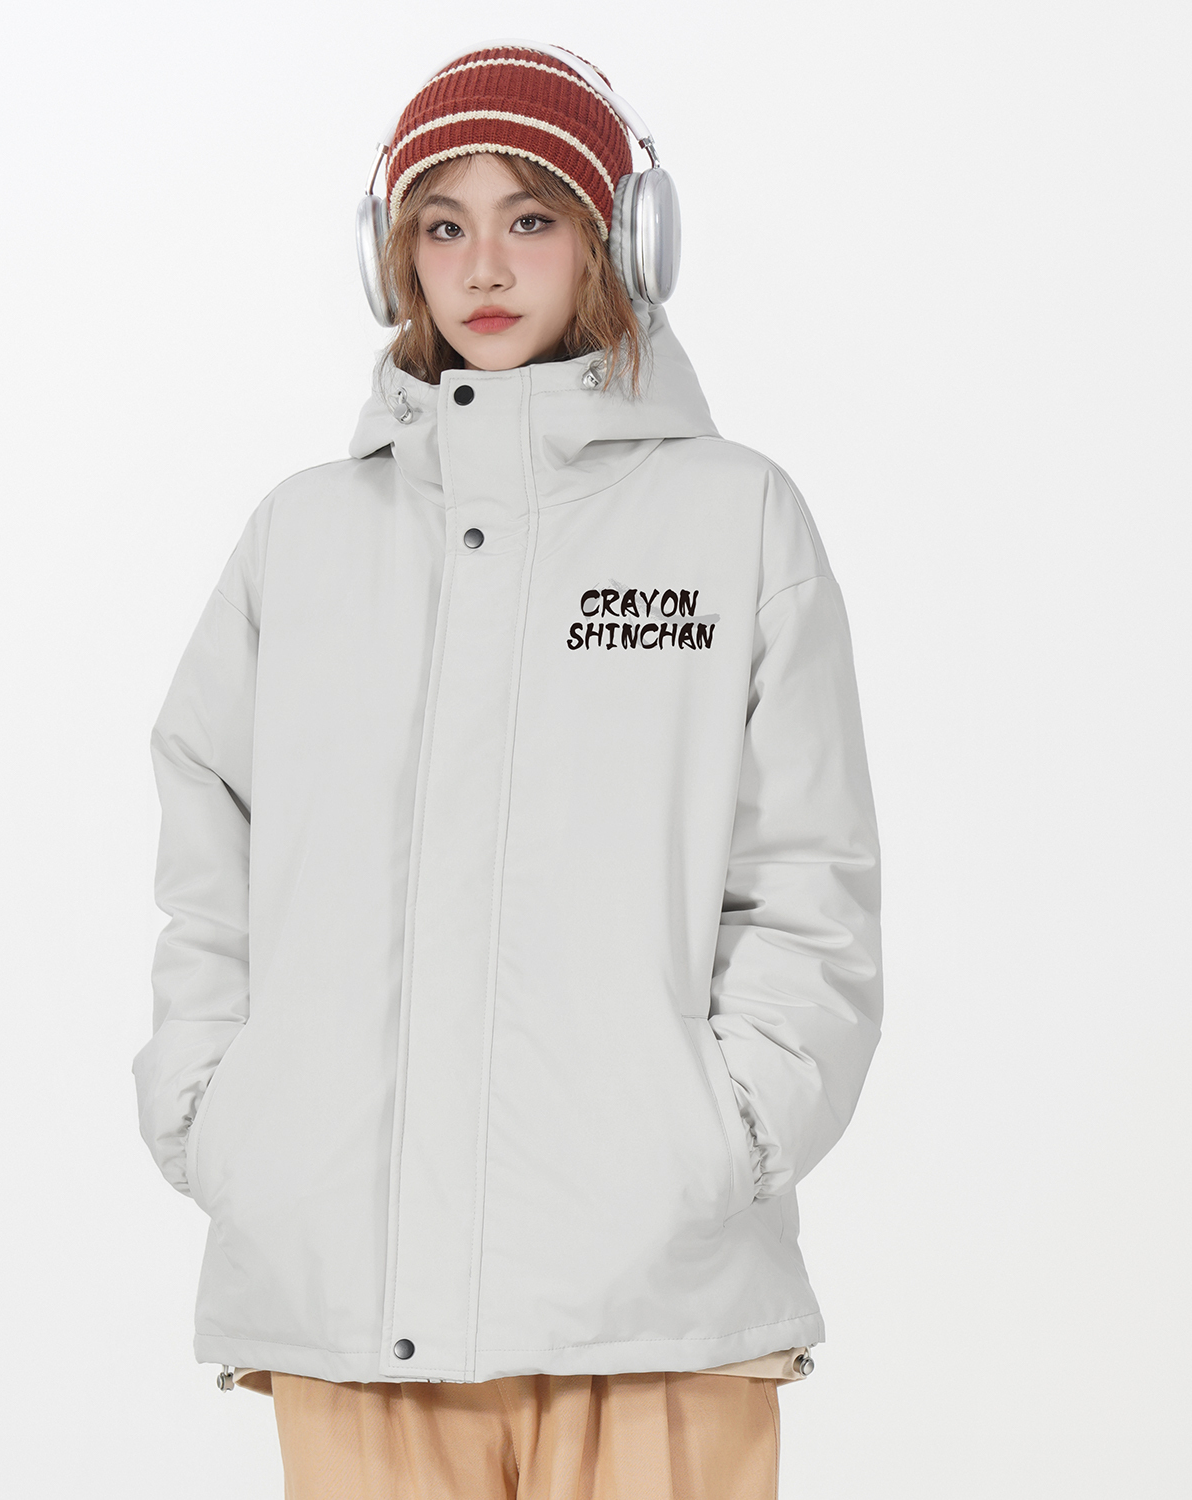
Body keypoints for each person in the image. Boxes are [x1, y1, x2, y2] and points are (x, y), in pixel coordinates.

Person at [132, 40, 883, 1500]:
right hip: (347, 1289)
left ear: (618, 240)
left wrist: (719, 1138)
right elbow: (208, 857)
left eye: (530, 216)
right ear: (392, 256)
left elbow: (809, 877)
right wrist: (222, 1116)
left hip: (653, 1301)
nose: (483, 265)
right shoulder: (302, 537)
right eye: (442, 223)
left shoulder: (734, 520)